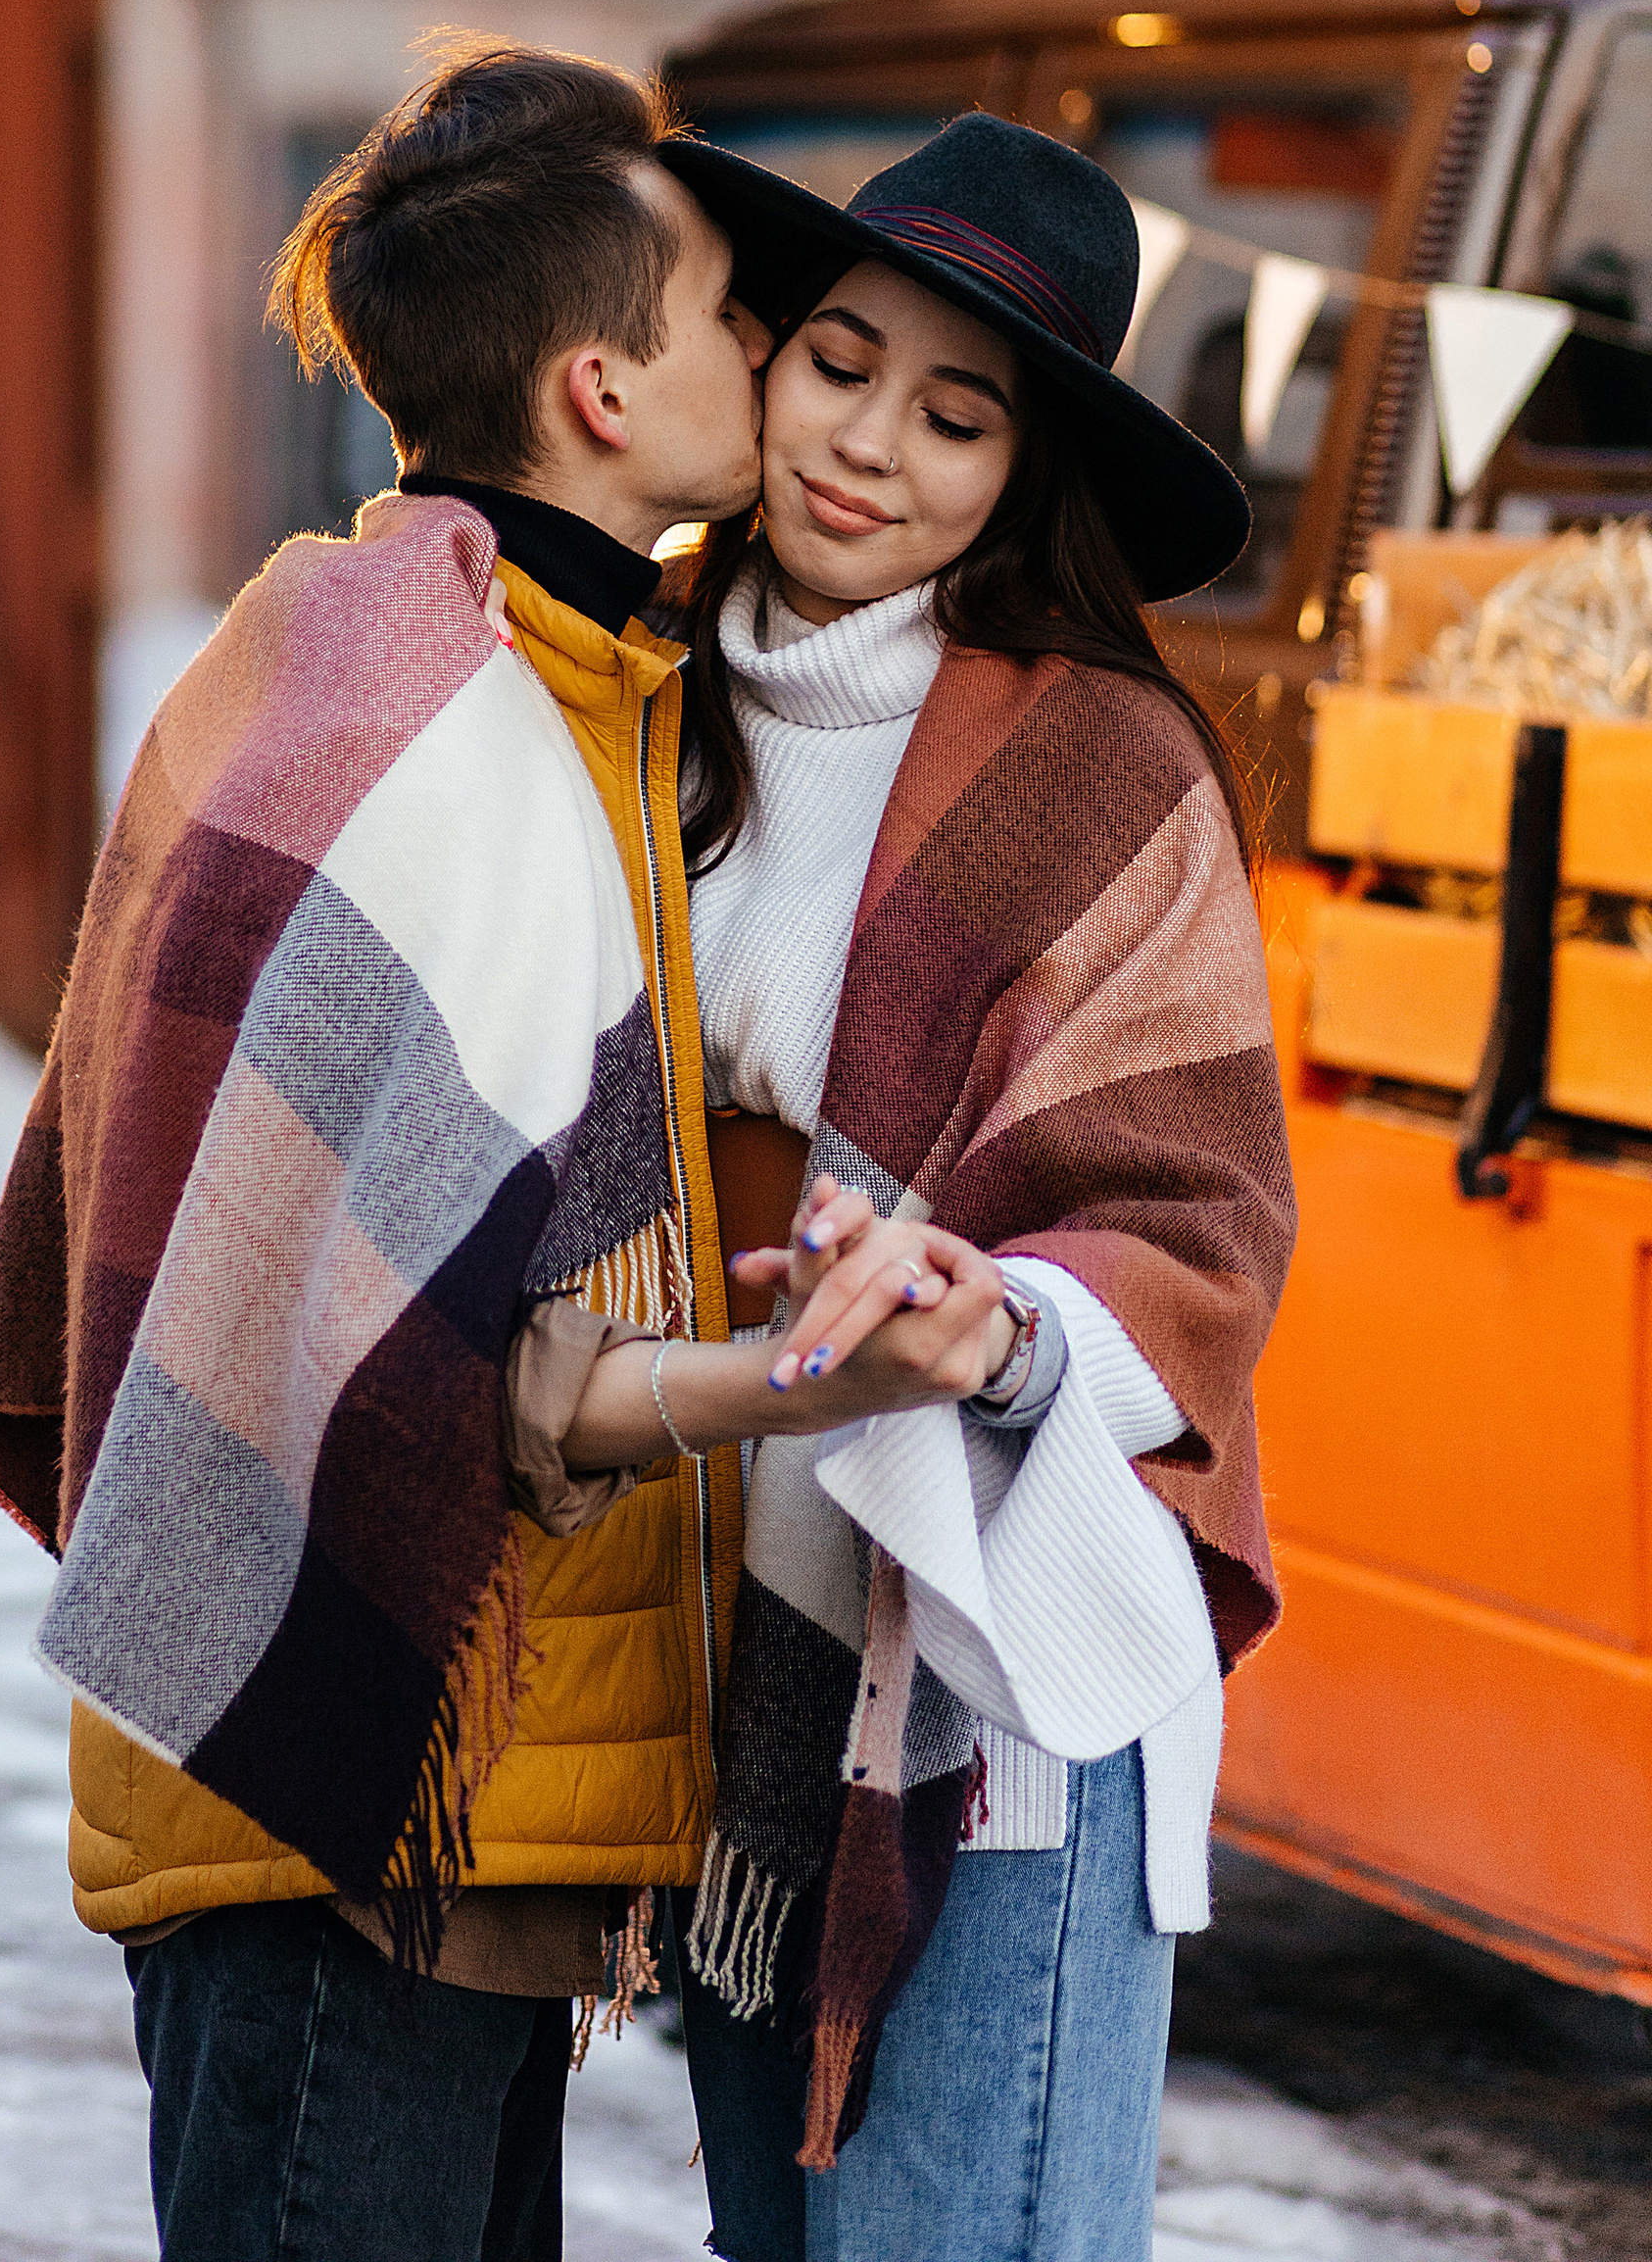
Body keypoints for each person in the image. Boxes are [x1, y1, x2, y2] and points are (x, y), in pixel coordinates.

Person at [0, 41, 895, 2262]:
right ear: (596, 390)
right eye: (732, 317)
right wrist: (827, 1367)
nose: (775, 359)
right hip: (338, 1793)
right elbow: (466, 1363)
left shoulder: (548, 691)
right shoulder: (424, 737)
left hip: (454, 1799)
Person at [604, 112, 1298, 2262]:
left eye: (953, 412)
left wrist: (982, 1320)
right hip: (710, 1618)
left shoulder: (1098, 762)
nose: (867, 446)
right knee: (769, 2235)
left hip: (987, 1632)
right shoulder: (615, 691)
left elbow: (1195, 1219)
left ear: (1023, 474)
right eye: (834, 361)